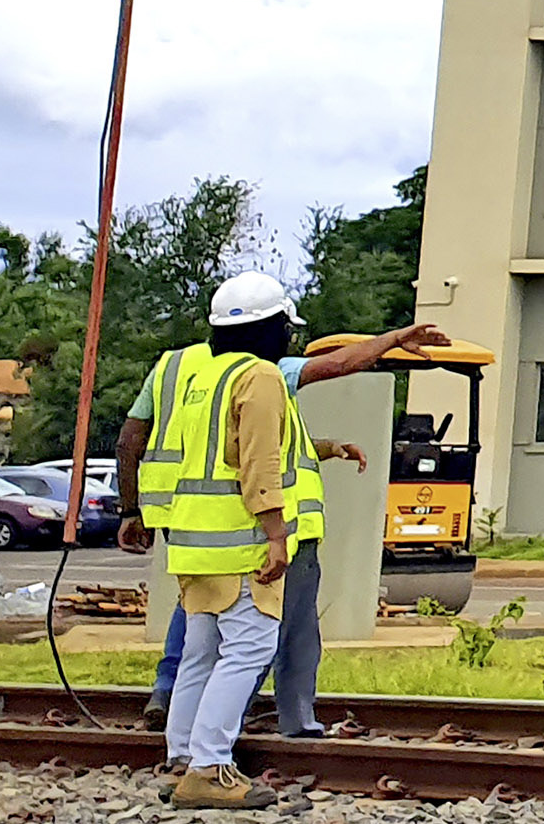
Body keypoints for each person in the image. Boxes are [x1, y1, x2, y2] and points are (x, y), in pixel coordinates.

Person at [121, 306, 441, 735]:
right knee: (258, 642)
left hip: (182, 519)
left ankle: (174, 711)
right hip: (253, 527)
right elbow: (332, 372)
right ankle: (227, 744)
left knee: (198, 632)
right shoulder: (262, 373)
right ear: (268, 332)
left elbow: (130, 441)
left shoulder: (178, 369)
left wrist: (130, 509)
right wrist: (395, 338)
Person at [133, 274, 305, 810]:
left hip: (193, 540)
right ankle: (209, 767)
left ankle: (181, 759)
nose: (288, 338)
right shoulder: (258, 377)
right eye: (285, 327)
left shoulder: (199, 376)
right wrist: (275, 533)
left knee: (200, 652)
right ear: (268, 328)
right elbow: (259, 462)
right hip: (239, 542)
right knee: (250, 647)